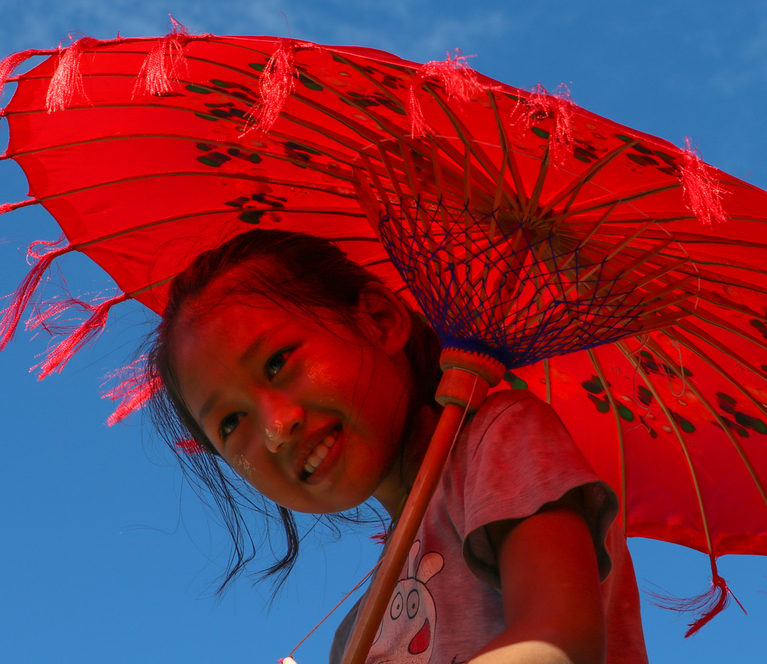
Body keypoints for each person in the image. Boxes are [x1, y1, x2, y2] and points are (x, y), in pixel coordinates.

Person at [146, 229, 648, 664]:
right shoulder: (355, 638)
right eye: (232, 422)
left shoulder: (500, 441)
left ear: (380, 320)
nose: (276, 426)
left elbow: (559, 641)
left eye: (278, 363)